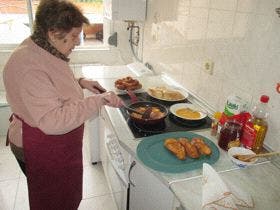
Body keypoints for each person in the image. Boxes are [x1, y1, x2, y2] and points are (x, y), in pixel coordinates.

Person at [3, 0, 123, 209]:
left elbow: (49, 85)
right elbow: (53, 121)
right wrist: (98, 100)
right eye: (74, 36)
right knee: (53, 201)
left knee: (63, 195)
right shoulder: (29, 66)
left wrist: (80, 83)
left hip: (54, 145)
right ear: (53, 33)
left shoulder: (40, 47)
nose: (78, 42)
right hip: (42, 145)